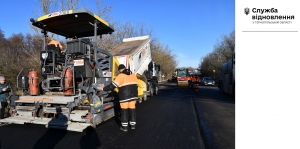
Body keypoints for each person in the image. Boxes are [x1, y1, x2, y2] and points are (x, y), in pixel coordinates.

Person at [92, 64, 138, 132]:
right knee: (132, 110)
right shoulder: (133, 75)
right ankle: (133, 125)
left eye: (119, 71)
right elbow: (136, 85)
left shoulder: (121, 75)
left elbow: (113, 85)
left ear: (120, 70)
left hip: (124, 96)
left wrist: (103, 88)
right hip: (133, 96)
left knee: (124, 111)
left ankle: (124, 127)